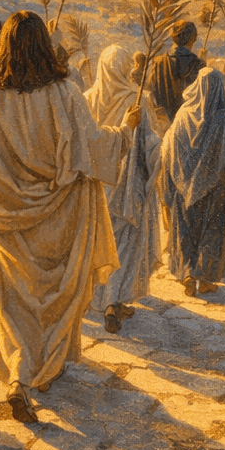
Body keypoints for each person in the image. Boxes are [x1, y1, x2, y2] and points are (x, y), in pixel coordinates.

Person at [0, 13, 139, 422]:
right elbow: (90, 148)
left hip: (5, 224)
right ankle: (46, 369)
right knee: (54, 298)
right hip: (60, 218)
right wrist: (125, 131)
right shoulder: (66, 93)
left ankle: (18, 377)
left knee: (11, 300)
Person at [85, 45, 163, 334]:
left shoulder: (86, 99)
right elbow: (151, 149)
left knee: (97, 243)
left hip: (95, 188)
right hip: (126, 191)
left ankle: (96, 299)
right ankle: (112, 303)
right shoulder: (137, 101)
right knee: (123, 247)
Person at [161, 68, 225, 296]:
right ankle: (206, 277)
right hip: (217, 186)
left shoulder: (183, 114)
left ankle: (187, 273)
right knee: (213, 230)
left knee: (187, 229)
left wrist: (176, 179)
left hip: (185, 185)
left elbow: (168, 149)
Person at [145, 20, 206, 131]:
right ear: (192, 39)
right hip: (189, 126)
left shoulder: (157, 62)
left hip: (164, 126)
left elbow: (151, 93)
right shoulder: (198, 64)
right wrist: (203, 64)